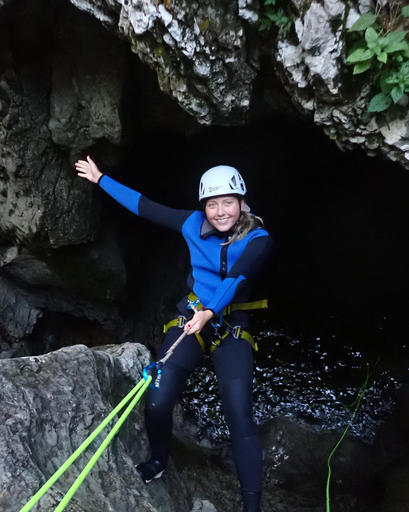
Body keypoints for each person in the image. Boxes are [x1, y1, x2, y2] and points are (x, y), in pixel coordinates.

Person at [76, 156, 272, 512]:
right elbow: (144, 207)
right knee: (159, 397)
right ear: (204, 207)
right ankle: (159, 459)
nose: (220, 211)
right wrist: (101, 178)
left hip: (230, 325)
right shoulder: (191, 223)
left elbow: (238, 276)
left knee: (239, 413)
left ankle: (252, 506)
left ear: (242, 203)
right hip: (191, 317)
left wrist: (210, 312)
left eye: (228, 202)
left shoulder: (259, 238)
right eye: (212, 204)